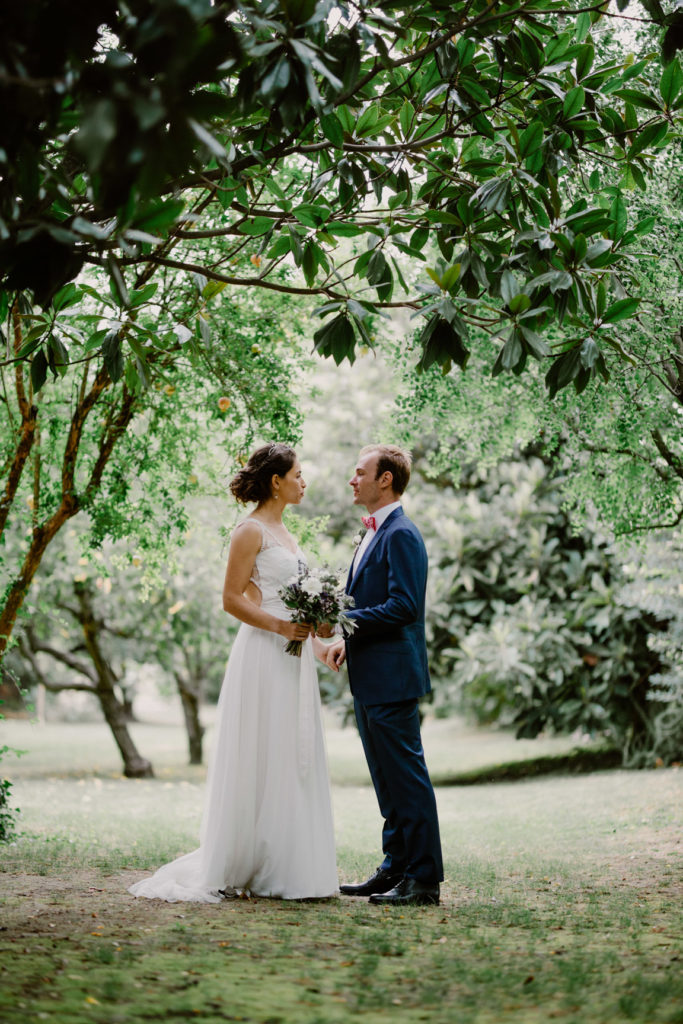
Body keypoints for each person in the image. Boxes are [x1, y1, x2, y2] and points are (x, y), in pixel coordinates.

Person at [128, 443, 338, 902]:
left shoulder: (289, 536)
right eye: (299, 474)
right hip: (263, 654)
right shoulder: (250, 531)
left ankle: (285, 864)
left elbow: (294, 603)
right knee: (263, 748)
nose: (305, 482)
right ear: (276, 482)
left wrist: (321, 641)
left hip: (296, 658)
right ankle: (248, 861)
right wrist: (283, 626)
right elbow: (232, 598)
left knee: (290, 752)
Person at [323, 444, 443, 906]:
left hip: (393, 677)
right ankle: (395, 867)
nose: (353, 480)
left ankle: (424, 880)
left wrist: (345, 621)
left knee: (407, 779)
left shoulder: (401, 534)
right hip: (370, 677)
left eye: (360, 472)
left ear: (385, 479)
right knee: (386, 779)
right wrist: (343, 641)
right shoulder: (372, 532)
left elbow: (405, 606)